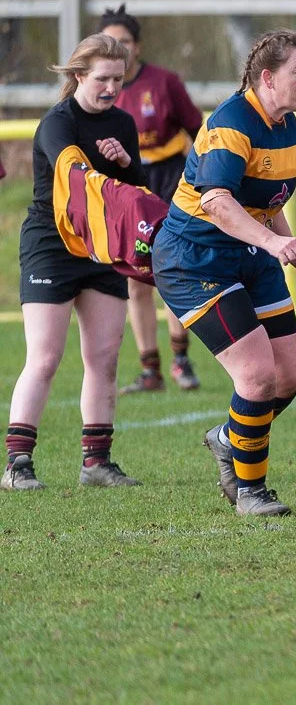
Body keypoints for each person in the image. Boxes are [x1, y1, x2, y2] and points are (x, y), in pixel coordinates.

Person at [151, 29, 296, 516]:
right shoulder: (231, 123)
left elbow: (267, 200)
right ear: (268, 78)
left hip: (251, 255)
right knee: (256, 376)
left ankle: (228, 436)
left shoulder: (287, 124)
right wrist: (274, 243)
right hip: (195, 259)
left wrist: (290, 249)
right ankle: (251, 492)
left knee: (289, 375)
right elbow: (216, 201)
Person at [4, 34, 143, 491]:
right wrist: (97, 170)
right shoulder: (56, 124)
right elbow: (71, 175)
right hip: (52, 246)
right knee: (44, 358)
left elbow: (135, 189)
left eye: (118, 80)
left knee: (104, 358)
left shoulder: (123, 123)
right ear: (79, 76)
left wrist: (126, 163)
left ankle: (96, 464)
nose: (111, 88)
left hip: (101, 249)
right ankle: (17, 465)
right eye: (102, 79)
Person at [98, 6, 206, 394]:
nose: (119, 50)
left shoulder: (165, 83)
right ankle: (150, 369)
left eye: (124, 42)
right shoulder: (98, 91)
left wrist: (205, 182)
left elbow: (201, 132)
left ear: (138, 46)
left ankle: (181, 359)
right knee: (135, 280)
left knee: (170, 272)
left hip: (169, 184)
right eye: (111, 44)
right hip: (124, 193)